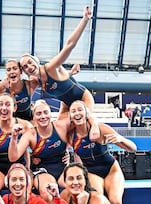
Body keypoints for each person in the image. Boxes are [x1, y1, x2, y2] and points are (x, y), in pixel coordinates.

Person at [19, 5, 100, 140]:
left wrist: (85, 20)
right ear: (25, 72)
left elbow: (69, 45)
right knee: (59, 130)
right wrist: (70, 74)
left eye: (30, 62)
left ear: (36, 61)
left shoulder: (51, 67)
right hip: (67, 104)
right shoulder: (35, 82)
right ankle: (66, 155)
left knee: (82, 120)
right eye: (25, 67)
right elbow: (61, 82)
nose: (29, 66)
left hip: (82, 97)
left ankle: (94, 125)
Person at [68, 100, 137, 204]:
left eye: (80, 110)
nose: (77, 113)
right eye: (73, 111)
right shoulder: (70, 136)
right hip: (92, 172)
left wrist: (121, 139)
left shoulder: (101, 129)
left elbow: (133, 148)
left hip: (111, 170)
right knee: (98, 201)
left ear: (86, 113)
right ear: (70, 116)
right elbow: (76, 158)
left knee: (116, 202)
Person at [8, 99, 70, 202]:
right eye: (39, 113)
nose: (43, 116)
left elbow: (82, 115)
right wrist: (14, 138)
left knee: (74, 189)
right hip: (43, 171)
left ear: (50, 114)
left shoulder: (61, 126)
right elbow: (13, 157)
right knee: (47, 193)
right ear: (34, 117)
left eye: (46, 112)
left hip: (63, 168)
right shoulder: (30, 134)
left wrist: (68, 152)